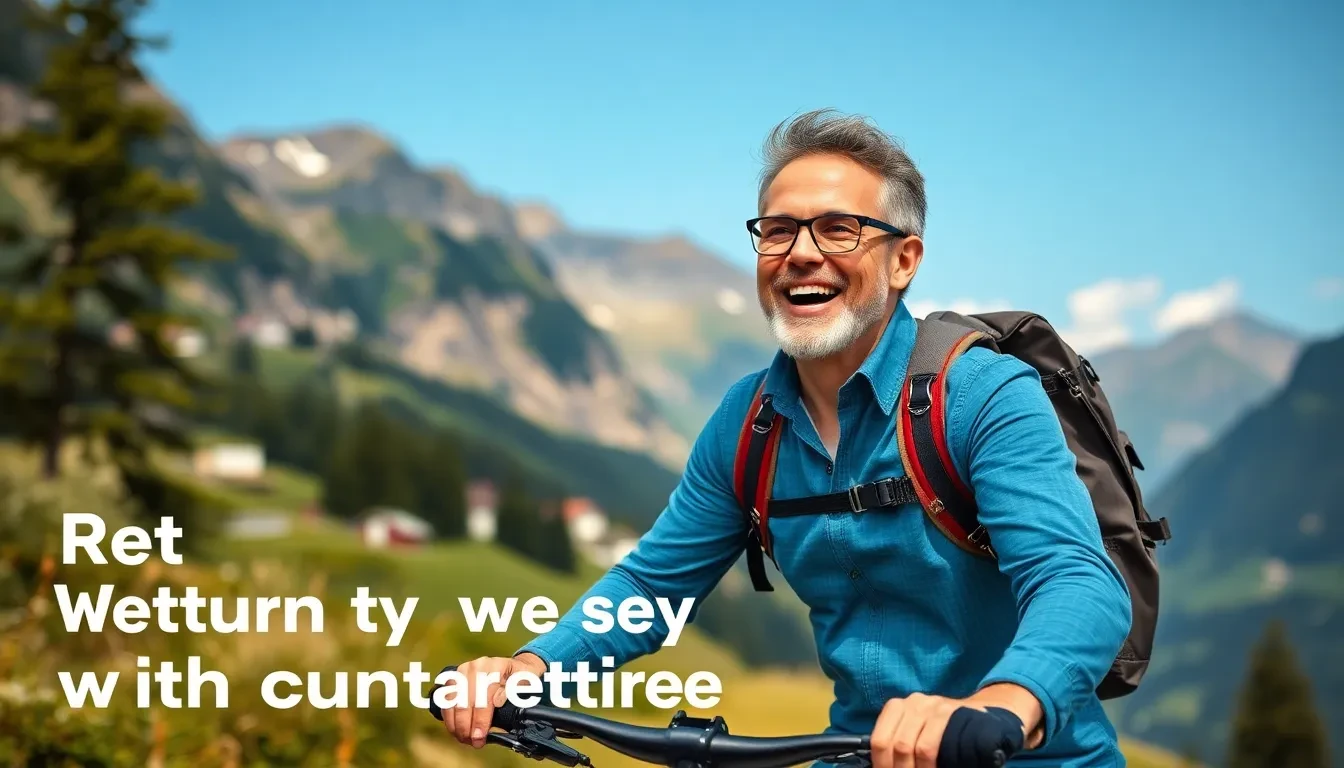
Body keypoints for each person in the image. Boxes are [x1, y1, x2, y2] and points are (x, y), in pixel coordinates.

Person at [441, 109, 1133, 768]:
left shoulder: (982, 396)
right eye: (777, 231)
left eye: (838, 229)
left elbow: (1077, 582)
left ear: (903, 261)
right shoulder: (750, 424)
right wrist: (533, 669)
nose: (800, 254)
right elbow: (652, 585)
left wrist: (1000, 704)